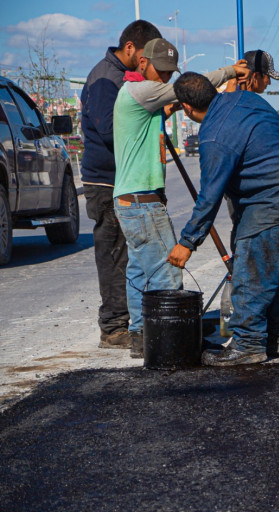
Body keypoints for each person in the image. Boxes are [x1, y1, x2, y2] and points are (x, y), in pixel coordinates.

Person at [167, 72, 279, 367]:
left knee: (251, 274)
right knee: (275, 271)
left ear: (186, 108)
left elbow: (210, 196)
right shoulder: (245, 98)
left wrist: (187, 242)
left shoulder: (213, 136)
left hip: (274, 202)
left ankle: (248, 344)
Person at [113, 38, 248, 357]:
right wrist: (230, 71)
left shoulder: (136, 94)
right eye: (161, 71)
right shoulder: (141, 91)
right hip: (142, 201)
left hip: (130, 200)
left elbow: (174, 100)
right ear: (142, 62)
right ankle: (174, 340)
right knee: (166, 270)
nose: (165, 78)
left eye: (169, 72)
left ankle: (140, 334)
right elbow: (193, 88)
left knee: (139, 269)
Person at [80, 20, 162, 351]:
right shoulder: (105, 78)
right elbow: (111, 130)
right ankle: (113, 327)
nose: (146, 63)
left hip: (124, 179)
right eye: (144, 56)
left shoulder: (123, 77)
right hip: (106, 181)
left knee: (133, 254)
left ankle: (135, 319)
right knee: (115, 254)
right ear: (130, 48)